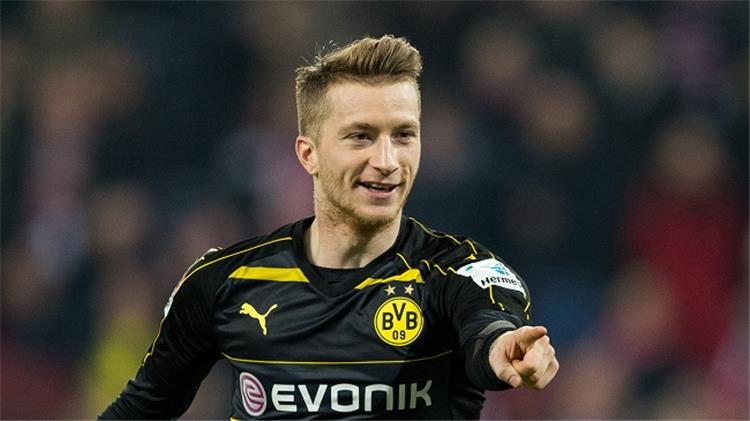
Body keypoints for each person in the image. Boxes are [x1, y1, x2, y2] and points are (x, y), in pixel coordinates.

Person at [99, 34, 559, 420]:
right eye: (361, 136)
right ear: (309, 154)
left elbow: (487, 330)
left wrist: (503, 348)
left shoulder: (457, 272)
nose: (387, 161)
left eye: (403, 135)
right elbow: (142, 408)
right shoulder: (224, 282)